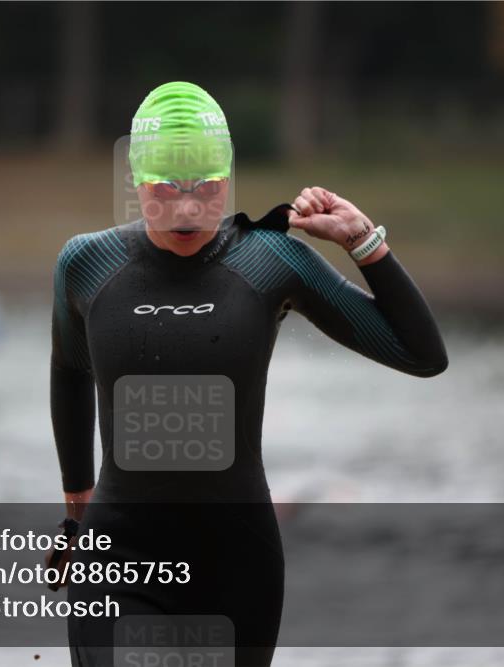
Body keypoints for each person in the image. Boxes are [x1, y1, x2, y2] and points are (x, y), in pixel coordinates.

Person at [48, 81, 447, 666]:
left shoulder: (270, 260)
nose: (187, 208)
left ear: (227, 179)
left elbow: (421, 354)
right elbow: (69, 369)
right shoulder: (87, 264)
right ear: (136, 180)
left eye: (206, 190)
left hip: (236, 564)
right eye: (166, 189)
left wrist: (364, 242)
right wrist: (76, 505)